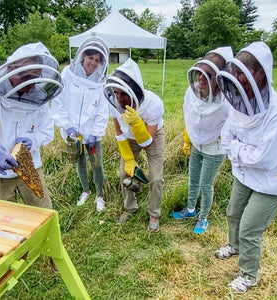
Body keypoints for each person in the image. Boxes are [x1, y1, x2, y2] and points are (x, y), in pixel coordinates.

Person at [214, 41, 277, 294]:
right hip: (244, 173)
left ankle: (248, 274)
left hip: (271, 180)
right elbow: (226, 137)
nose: (239, 78)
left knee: (250, 228)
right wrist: (243, 151)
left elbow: (264, 158)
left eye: (245, 73)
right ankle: (234, 245)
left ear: (260, 74)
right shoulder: (238, 101)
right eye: (237, 72)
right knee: (233, 212)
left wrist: (238, 150)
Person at [0, 42, 63, 209]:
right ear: (11, 68)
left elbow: (47, 132)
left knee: (43, 212)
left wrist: (33, 140)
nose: (30, 84)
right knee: (2, 222)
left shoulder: (38, 98)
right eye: (26, 77)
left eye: (35, 78)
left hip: (30, 165)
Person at [172, 47, 233, 234]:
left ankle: (203, 217)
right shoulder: (192, 92)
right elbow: (189, 116)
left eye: (207, 74)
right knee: (193, 179)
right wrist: (187, 139)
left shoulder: (227, 100)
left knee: (206, 184)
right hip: (196, 143)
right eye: (199, 72)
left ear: (219, 78)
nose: (200, 78)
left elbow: (235, 125)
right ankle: (190, 210)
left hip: (214, 148)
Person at [103, 58, 165, 232]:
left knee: (155, 178)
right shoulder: (115, 103)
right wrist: (129, 159)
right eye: (115, 93)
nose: (119, 98)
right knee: (124, 172)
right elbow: (118, 130)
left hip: (152, 137)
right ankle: (130, 207)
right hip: (128, 138)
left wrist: (138, 125)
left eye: (122, 94)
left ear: (134, 91)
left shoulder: (154, 104)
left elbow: (148, 143)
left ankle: (154, 213)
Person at [51, 37, 109, 212]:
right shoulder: (68, 74)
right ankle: (86, 191)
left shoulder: (101, 81)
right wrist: (67, 126)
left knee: (97, 165)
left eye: (98, 60)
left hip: (92, 134)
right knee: (80, 163)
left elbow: (102, 108)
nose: (93, 63)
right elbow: (59, 100)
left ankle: (100, 196)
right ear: (83, 56)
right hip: (73, 133)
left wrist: (95, 132)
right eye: (91, 58)